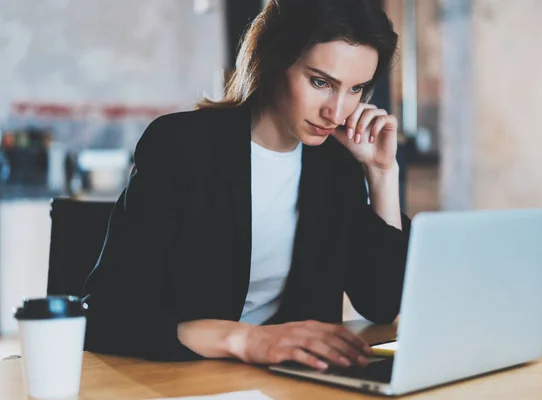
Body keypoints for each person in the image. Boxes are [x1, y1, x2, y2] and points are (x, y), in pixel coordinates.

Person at [83, 0, 411, 370]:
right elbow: (105, 314)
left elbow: (382, 303)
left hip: (294, 382)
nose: (336, 112)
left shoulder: (334, 162)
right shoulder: (181, 146)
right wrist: (246, 339)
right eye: (320, 82)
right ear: (275, 61)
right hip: (181, 374)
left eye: (356, 89)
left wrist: (382, 174)